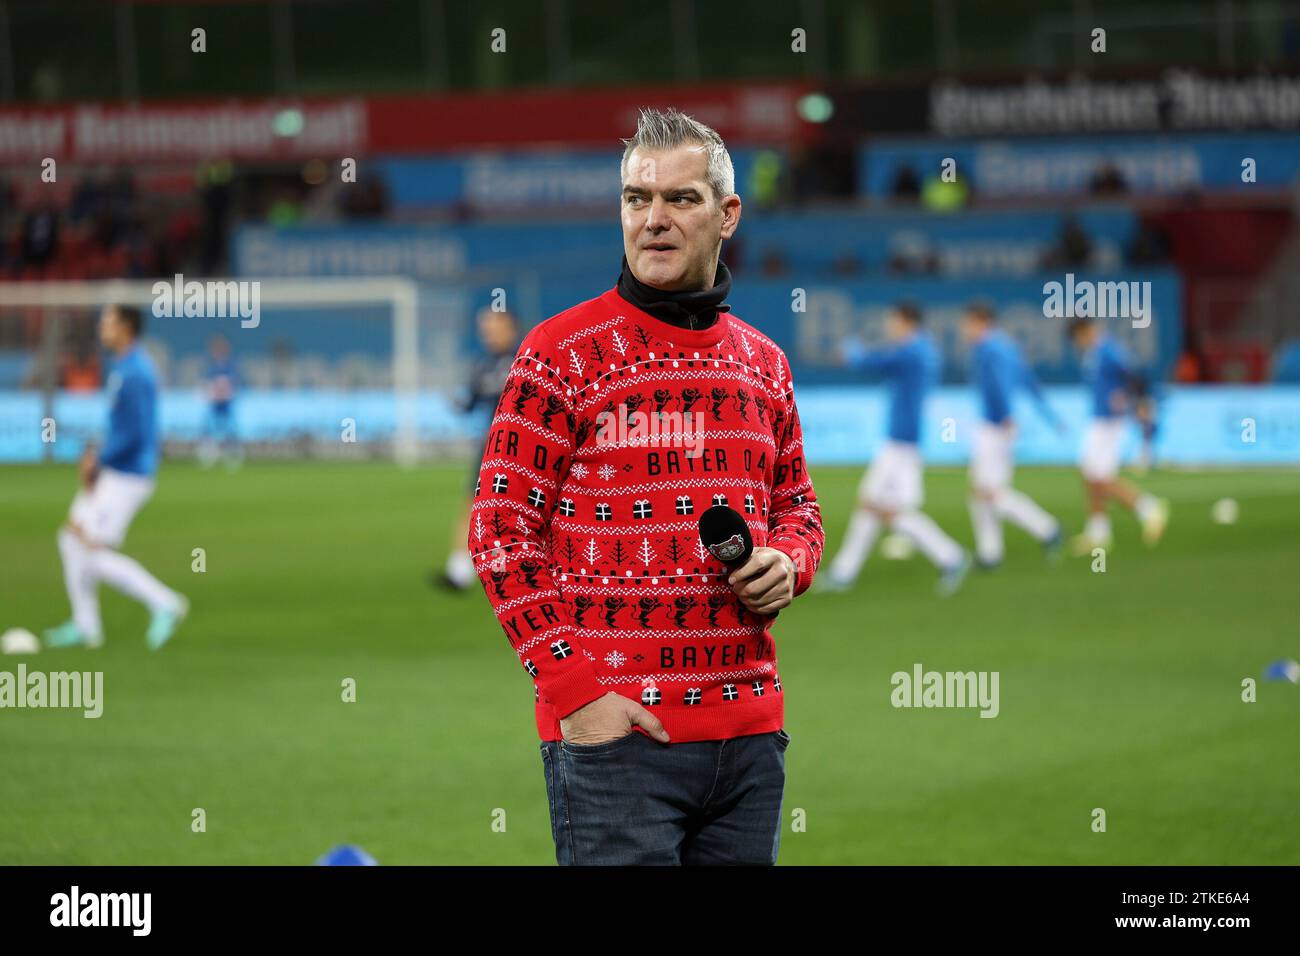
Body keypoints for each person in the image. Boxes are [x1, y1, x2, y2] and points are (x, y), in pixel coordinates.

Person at [468, 108, 824, 865]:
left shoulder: (764, 364)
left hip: (750, 736)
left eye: (680, 200)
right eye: (637, 199)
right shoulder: (561, 353)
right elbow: (499, 533)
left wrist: (789, 562)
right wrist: (578, 696)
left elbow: (799, 509)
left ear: (727, 214)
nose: (654, 219)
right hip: (617, 741)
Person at [44, 305, 189, 651]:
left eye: (108, 321)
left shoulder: (137, 371)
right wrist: (98, 454)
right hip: (113, 470)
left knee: (91, 550)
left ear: (126, 327)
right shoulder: (122, 367)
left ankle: (165, 603)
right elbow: (120, 425)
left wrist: (99, 459)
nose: (101, 327)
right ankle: (85, 626)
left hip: (128, 475)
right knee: (69, 539)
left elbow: (138, 432)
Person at [820, 301, 972, 596]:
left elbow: (869, 363)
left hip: (899, 443)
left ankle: (951, 556)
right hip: (905, 440)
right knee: (877, 507)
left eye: (893, 321)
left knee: (881, 508)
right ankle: (843, 573)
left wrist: (850, 350)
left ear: (905, 321)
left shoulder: (912, 350)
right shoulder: (926, 350)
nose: (890, 327)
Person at [961, 301, 1063, 568]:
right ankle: (991, 551)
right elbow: (1028, 380)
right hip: (1003, 425)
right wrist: (1049, 416)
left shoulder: (988, 349)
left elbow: (998, 384)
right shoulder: (1007, 346)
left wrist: (1005, 416)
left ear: (981, 321)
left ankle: (1045, 528)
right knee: (986, 491)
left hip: (994, 426)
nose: (965, 330)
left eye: (968, 323)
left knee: (987, 492)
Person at [1066, 318, 1169, 554]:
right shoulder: (1096, 352)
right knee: (1091, 474)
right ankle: (1099, 532)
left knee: (1098, 477)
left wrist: (1139, 402)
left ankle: (1148, 508)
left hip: (1109, 422)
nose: (1078, 344)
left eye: (1078, 338)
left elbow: (1132, 375)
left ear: (1086, 331)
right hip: (1100, 419)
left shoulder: (1109, 350)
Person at [437, 306, 519, 591]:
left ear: (510, 326)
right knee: (474, 505)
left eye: (493, 328)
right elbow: (470, 403)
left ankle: (509, 568)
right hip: (491, 447)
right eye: (484, 330)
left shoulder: (527, 357)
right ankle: (459, 572)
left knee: (517, 509)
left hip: (522, 446)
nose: (488, 335)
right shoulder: (482, 364)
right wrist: (456, 402)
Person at [198, 334, 242, 470]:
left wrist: (225, 390)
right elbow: (206, 384)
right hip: (214, 404)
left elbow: (235, 383)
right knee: (209, 428)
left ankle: (232, 457)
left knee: (231, 429)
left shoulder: (231, 365)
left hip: (227, 404)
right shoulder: (211, 367)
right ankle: (209, 455)